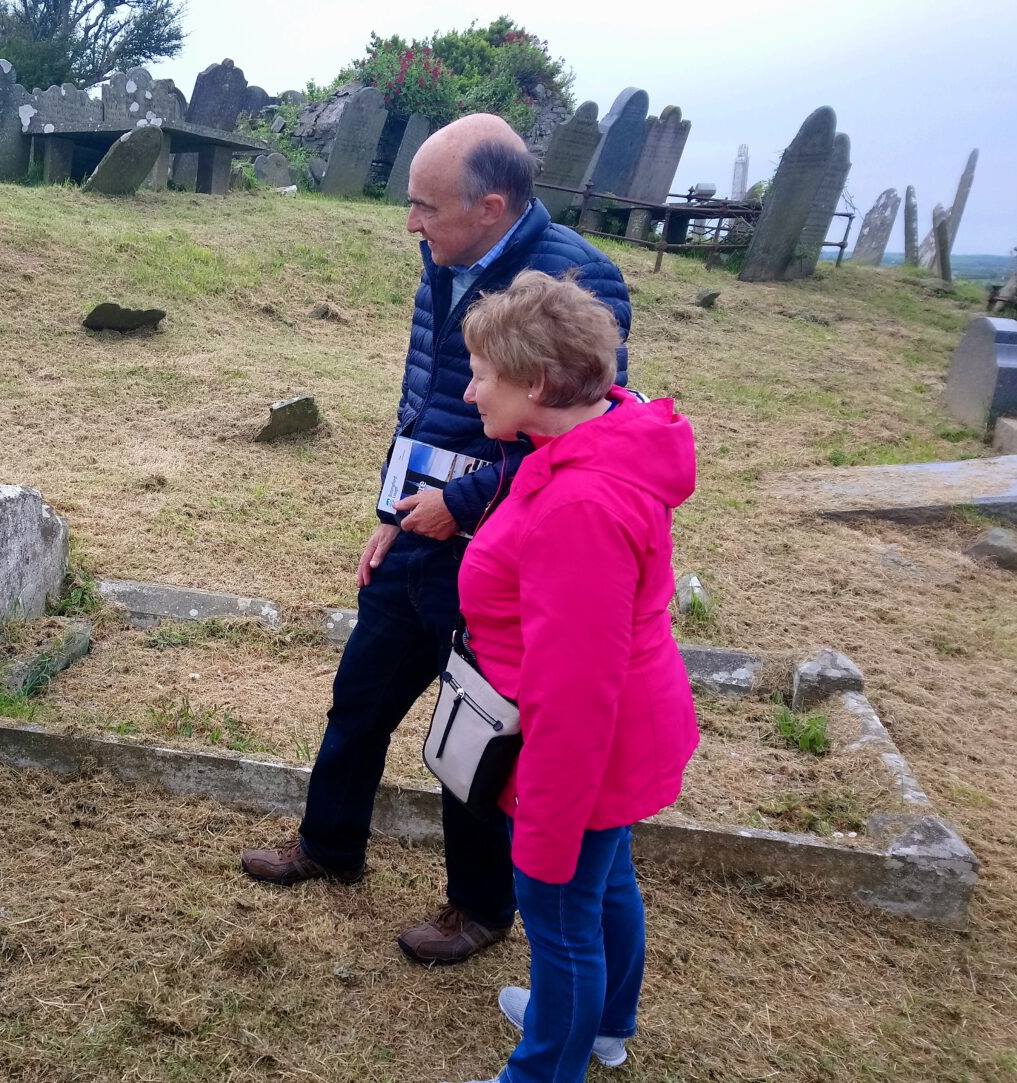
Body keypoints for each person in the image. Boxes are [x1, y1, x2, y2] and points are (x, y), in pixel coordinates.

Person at [239, 113, 633, 965]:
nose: (410, 224)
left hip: (504, 551)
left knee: (478, 733)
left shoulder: (577, 277)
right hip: (419, 529)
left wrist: (465, 500)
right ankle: (330, 844)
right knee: (361, 696)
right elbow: (424, 396)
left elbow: (587, 436)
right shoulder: (446, 258)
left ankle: (479, 906)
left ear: (490, 206)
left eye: (425, 207)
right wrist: (393, 513)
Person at [452, 268, 698, 1082]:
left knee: (559, 910)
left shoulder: (580, 507)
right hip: (628, 722)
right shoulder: (600, 433)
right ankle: (603, 1023)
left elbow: (576, 686)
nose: (470, 388)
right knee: (605, 882)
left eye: (483, 372)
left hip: (589, 740)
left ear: (535, 382)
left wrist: (547, 818)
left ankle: (545, 1068)